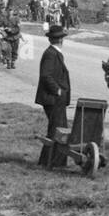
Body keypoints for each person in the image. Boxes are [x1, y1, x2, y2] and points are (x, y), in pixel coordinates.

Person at [35, 25, 72, 167]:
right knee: (57, 130)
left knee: (58, 129)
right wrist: (57, 90)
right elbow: (46, 75)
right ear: (61, 39)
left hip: (55, 99)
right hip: (52, 98)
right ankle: (51, 161)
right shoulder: (51, 54)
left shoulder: (53, 52)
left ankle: (53, 161)